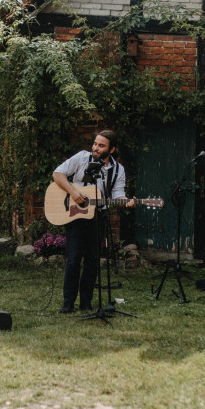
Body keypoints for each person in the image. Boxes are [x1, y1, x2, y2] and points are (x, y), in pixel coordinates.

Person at [52, 130, 134, 313]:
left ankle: (86, 302)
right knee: (73, 259)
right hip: (75, 214)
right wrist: (73, 192)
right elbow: (58, 174)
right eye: (95, 144)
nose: (96, 148)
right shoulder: (82, 158)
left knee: (93, 260)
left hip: (98, 217)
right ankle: (68, 302)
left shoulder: (118, 170)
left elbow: (118, 195)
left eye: (101, 145)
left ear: (111, 149)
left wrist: (126, 202)